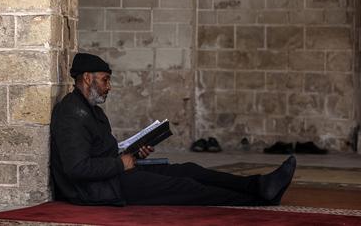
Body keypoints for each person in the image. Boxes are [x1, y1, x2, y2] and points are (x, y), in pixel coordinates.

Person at [50, 53, 297, 206]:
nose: (109, 87)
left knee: (189, 170)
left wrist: (133, 154)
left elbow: (102, 152)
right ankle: (258, 199)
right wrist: (120, 164)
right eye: (105, 80)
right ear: (86, 78)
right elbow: (76, 168)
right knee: (185, 189)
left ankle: (259, 185)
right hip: (97, 190)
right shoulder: (72, 113)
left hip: (113, 176)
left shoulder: (92, 110)